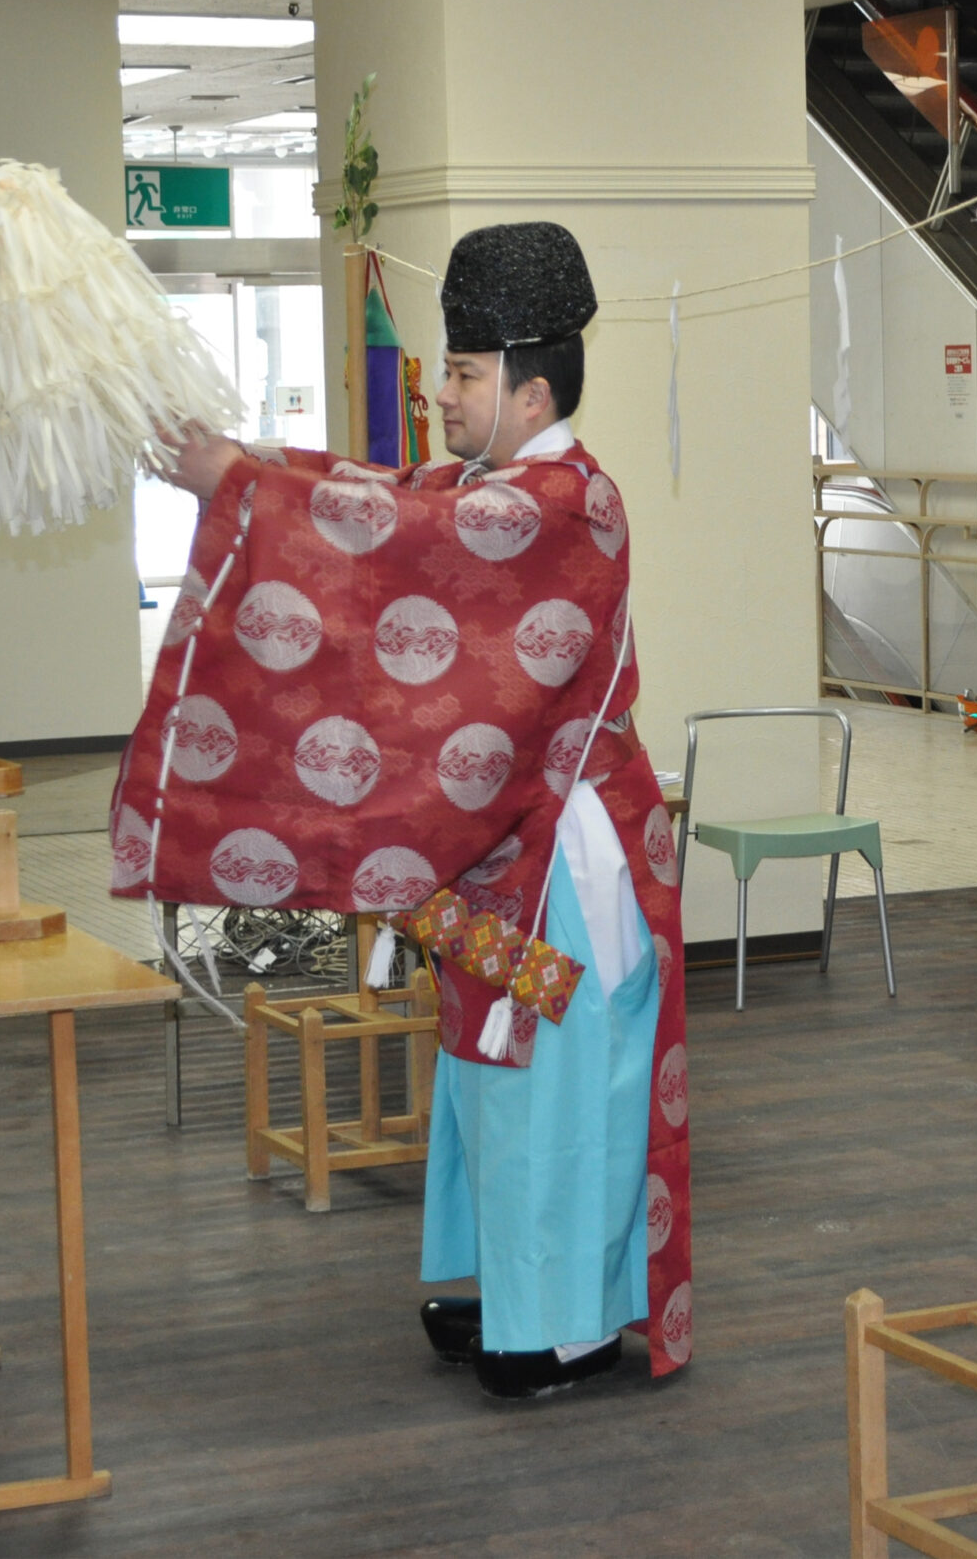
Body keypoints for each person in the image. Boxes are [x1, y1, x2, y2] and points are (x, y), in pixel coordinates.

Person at [124, 222, 692, 1395]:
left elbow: (401, 531)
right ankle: (511, 1292)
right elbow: (374, 492)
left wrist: (235, 484)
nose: (442, 393)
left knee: (558, 1088)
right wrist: (239, 459)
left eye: (468, 375)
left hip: (566, 860)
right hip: (509, 851)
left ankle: (567, 1327)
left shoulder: (565, 501)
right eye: (451, 367)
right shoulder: (490, 485)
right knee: (495, 1084)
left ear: (533, 392)